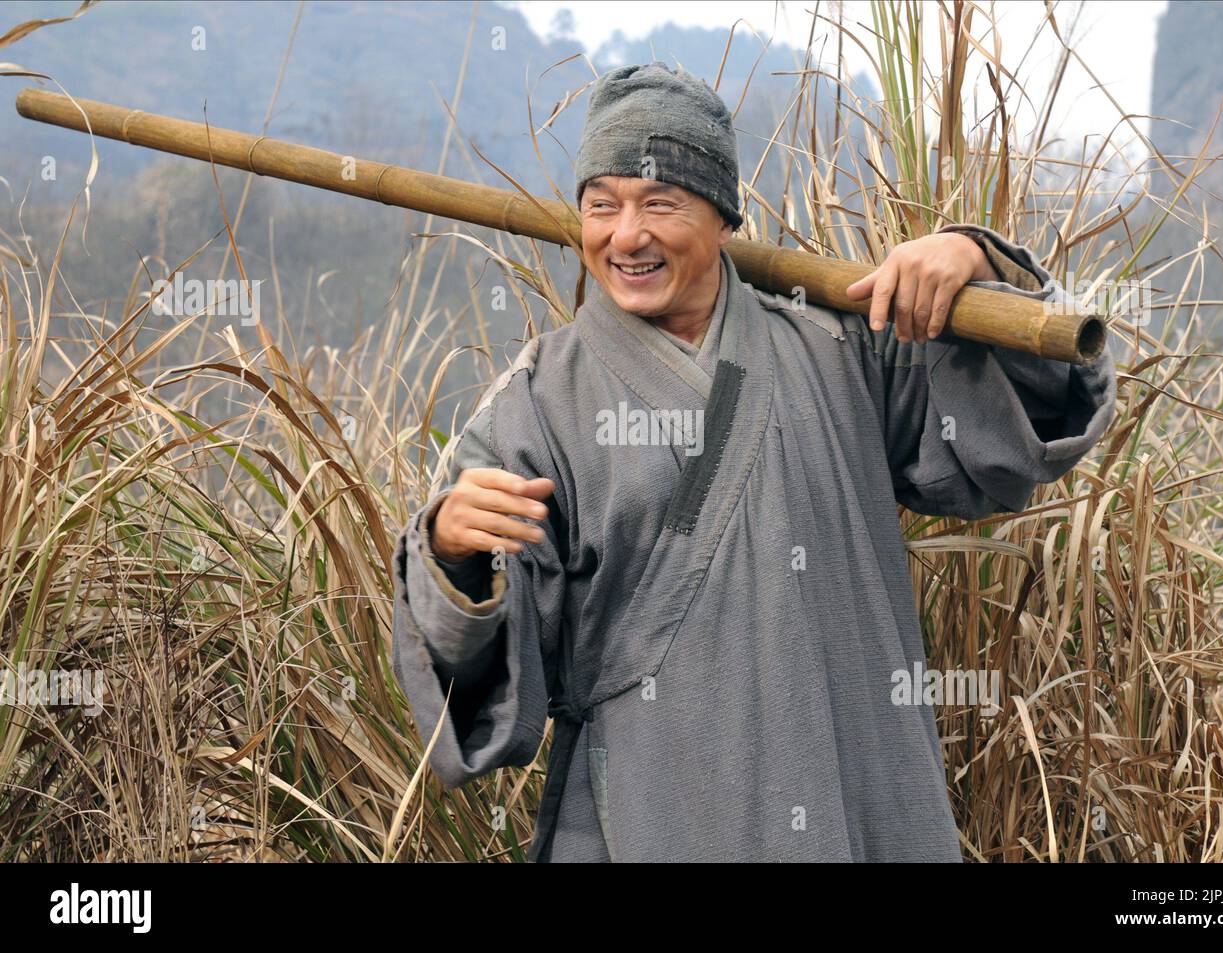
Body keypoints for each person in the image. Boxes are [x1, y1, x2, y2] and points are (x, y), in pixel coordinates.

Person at [389, 62, 1117, 862]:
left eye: (660, 204)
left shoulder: (841, 348)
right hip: (648, 810)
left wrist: (976, 263)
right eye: (603, 207)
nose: (626, 235)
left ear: (725, 216)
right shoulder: (536, 403)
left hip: (858, 790)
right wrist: (454, 554)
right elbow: (489, 679)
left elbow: (1031, 422)